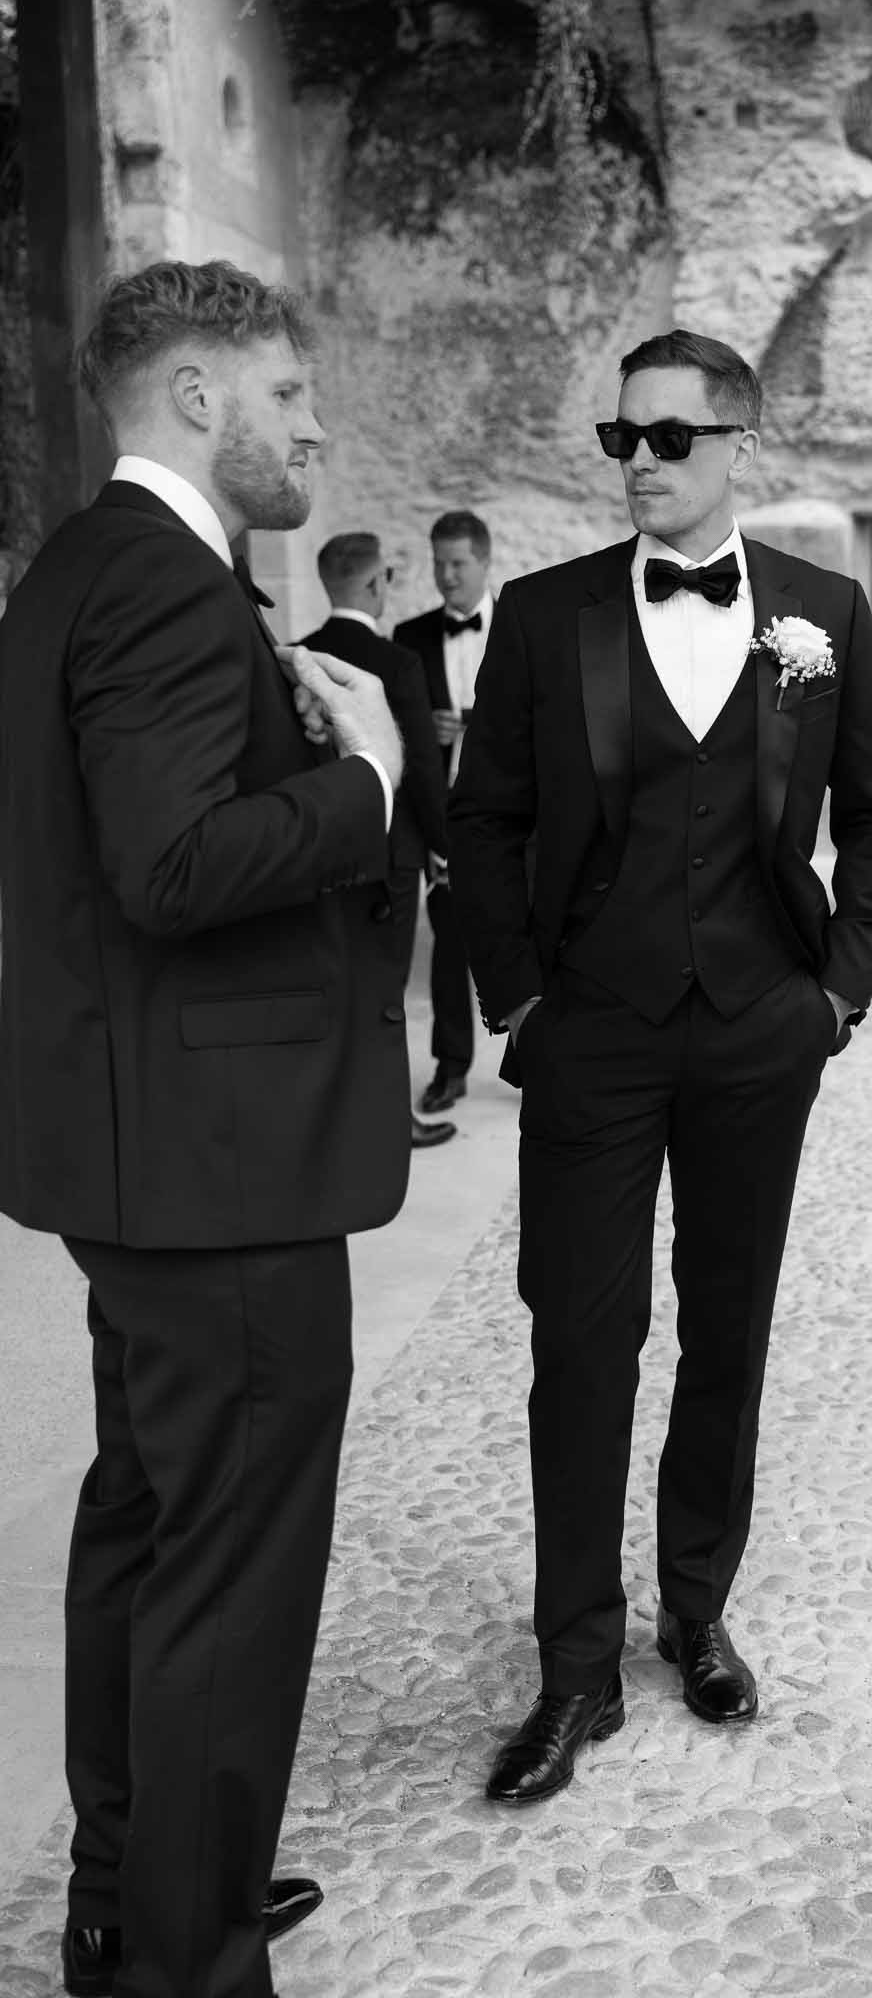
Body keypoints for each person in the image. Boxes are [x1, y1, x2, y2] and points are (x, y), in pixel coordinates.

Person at [0, 259, 411, 1998]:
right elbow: (170, 868)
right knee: (229, 1585)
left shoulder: (78, 571)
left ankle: (128, 1891)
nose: (317, 425)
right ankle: (187, 1952)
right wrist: (368, 784)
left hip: (147, 1155)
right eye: (293, 394)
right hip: (222, 1170)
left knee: (146, 1533)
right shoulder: (165, 590)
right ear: (193, 396)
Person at [450, 327, 872, 1804]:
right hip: (591, 1032)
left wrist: (835, 995)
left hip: (758, 1033)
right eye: (620, 440)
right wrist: (519, 1000)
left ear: (738, 443)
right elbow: (485, 825)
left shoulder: (823, 614)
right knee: (579, 1345)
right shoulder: (543, 615)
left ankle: (694, 1610)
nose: (638, 462)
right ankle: (574, 1670)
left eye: (666, 437)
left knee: (730, 1333)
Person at [304, 531, 454, 1148]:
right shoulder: (397, 664)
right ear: (374, 584)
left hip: (316, 849)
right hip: (391, 852)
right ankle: (391, 1119)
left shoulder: (298, 653)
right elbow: (419, 761)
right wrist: (446, 844)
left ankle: (329, 1116)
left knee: (331, 983)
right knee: (385, 988)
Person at [394, 510, 494, 1113]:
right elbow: (397, 729)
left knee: (530, 943)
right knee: (450, 947)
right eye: (438, 563)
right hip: (443, 818)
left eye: (457, 563)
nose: (446, 575)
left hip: (515, 816)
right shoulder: (408, 638)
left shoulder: (521, 626)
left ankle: (534, 1062)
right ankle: (451, 1066)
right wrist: (423, 731)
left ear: (484, 561)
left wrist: (474, 724)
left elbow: (547, 716)